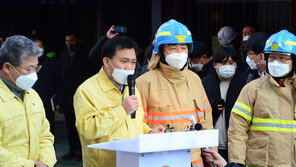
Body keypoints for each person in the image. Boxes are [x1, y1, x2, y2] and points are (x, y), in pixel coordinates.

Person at [73, 36, 165, 167]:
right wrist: (122, 110)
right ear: (106, 62)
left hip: (133, 161)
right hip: (104, 163)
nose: (129, 67)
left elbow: (136, 124)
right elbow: (86, 129)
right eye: (124, 61)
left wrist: (149, 132)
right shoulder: (86, 90)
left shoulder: (132, 88)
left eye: (133, 62)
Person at [136, 19, 216, 167]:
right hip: (159, 159)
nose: (179, 53)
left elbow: (207, 122)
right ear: (161, 51)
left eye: (183, 48)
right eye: (173, 48)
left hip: (194, 160)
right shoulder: (143, 83)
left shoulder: (195, 80)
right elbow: (135, 124)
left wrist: (213, 155)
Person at [228, 30, 296, 166]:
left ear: (293, 61)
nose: (276, 62)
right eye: (272, 57)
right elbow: (237, 130)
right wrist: (236, 161)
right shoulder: (252, 89)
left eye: (283, 57)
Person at [0, 35, 56, 166]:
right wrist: (30, 165)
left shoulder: (33, 95)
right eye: (28, 69)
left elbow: (45, 136)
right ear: (7, 67)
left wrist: (46, 161)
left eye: (36, 68)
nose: (34, 75)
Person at [202, 47, 247, 161]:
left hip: (236, 144)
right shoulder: (205, 83)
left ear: (236, 64)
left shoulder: (245, 84)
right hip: (213, 144)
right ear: (215, 65)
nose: (227, 66)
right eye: (223, 63)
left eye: (231, 62)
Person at [58, 31, 89, 161]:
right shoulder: (62, 55)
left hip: (81, 97)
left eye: (72, 41)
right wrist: (59, 100)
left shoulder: (85, 55)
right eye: (67, 41)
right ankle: (72, 149)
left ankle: (80, 151)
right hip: (67, 97)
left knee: (81, 127)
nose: (69, 44)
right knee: (69, 126)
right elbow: (59, 78)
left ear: (78, 41)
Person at [32, 37, 61, 134]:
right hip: (31, 103)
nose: (38, 49)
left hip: (47, 103)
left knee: (48, 130)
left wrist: (58, 101)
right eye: (35, 46)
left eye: (40, 46)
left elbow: (58, 83)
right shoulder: (26, 64)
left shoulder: (52, 63)